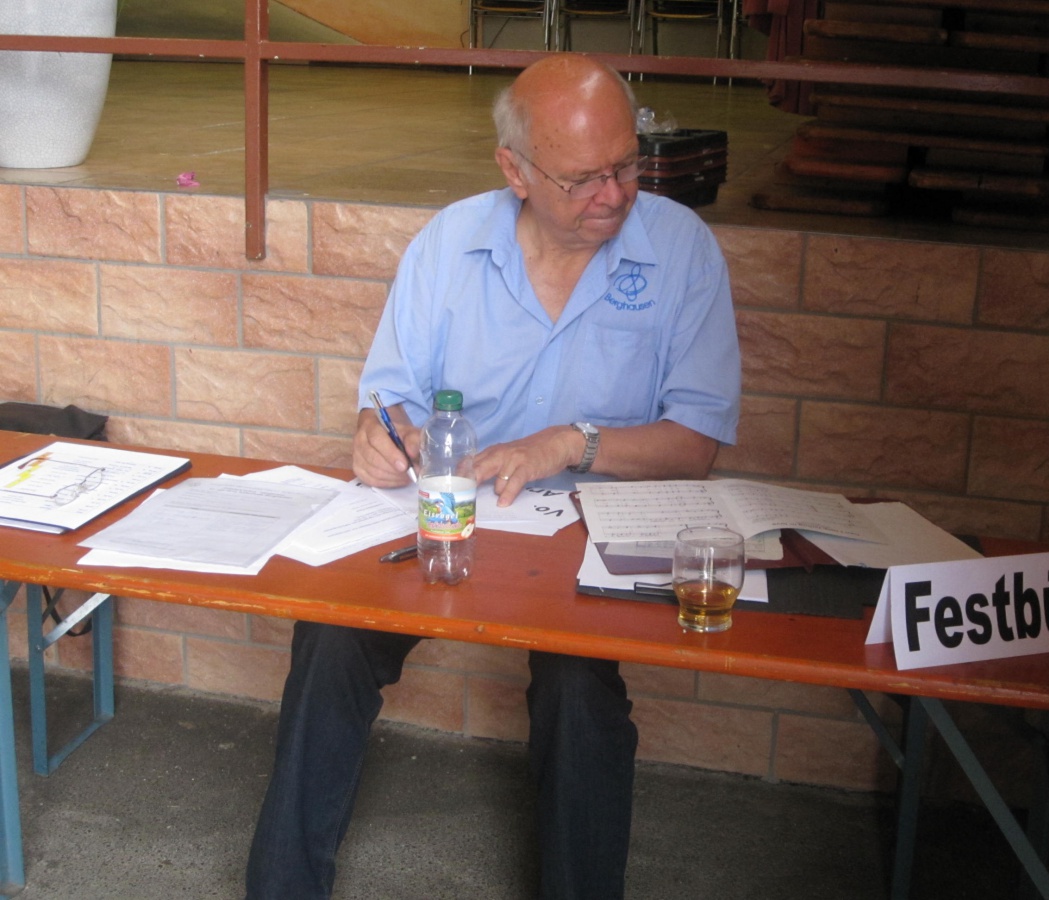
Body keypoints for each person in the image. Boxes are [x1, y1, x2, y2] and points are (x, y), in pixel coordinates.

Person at [245, 54, 740, 900]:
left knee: (580, 691)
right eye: (583, 179)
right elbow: (390, 401)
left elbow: (695, 443)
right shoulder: (451, 242)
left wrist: (570, 443)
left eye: (627, 166)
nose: (614, 195)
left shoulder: (681, 249)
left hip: (587, 537)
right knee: (329, 637)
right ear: (516, 171)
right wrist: (380, 437)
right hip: (449, 514)